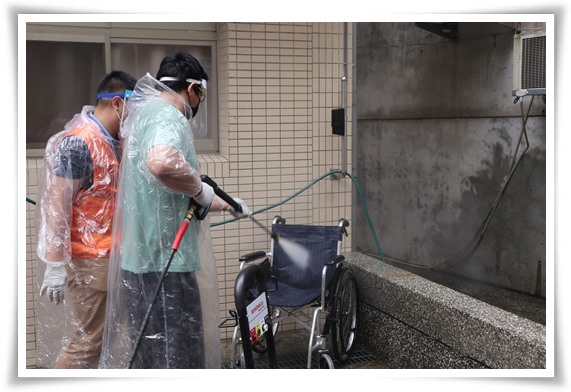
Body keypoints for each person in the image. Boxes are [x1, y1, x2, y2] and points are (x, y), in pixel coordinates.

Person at [100, 52, 250, 369]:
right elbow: (162, 163)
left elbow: (168, 189)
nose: (199, 102)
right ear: (192, 88)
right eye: (202, 95)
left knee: (150, 356)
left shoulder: (142, 116)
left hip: (138, 265)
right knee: (181, 357)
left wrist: (227, 204)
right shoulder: (170, 117)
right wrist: (199, 188)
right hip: (168, 267)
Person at [34, 70, 137, 369]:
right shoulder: (79, 143)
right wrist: (54, 264)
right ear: (118, 103)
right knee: (87, 343)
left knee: (104, 339)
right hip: (88, 261)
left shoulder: (110, 141)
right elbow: (56, 204)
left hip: (110, 258)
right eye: (135, 110)